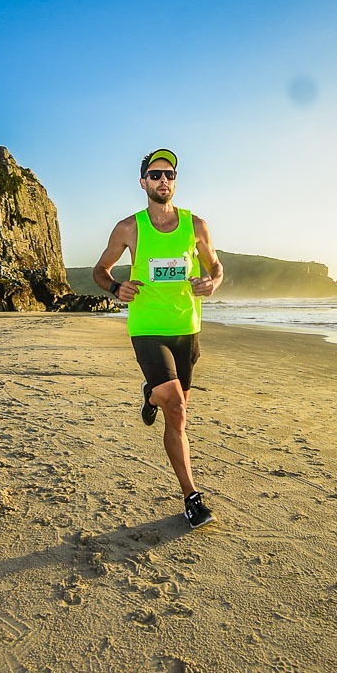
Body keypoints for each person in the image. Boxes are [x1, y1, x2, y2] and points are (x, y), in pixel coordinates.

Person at [93, 147, 224, 529]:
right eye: (154, 175)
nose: (162, 180)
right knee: (177, 409)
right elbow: (101, 270)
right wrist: (116, 287)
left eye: (168, 174)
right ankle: (192, 497)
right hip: (148, 327)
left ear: (175, 182)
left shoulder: (195, 225)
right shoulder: (129, 228)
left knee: (174, 406)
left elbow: (215, 266)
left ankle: (150, 393)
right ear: (142, 182)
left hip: (186, 327)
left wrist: (211, 282)